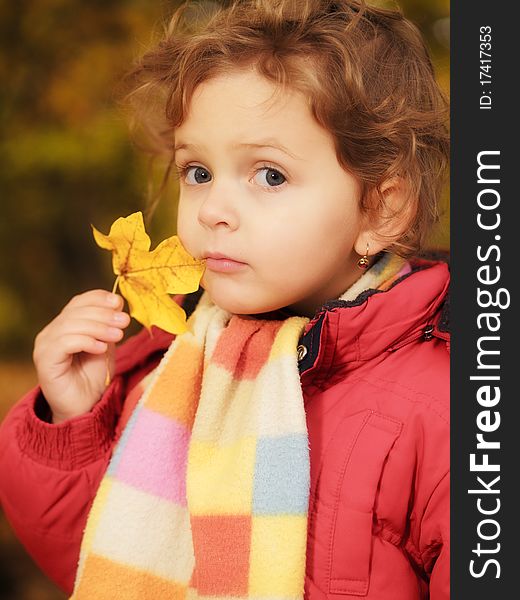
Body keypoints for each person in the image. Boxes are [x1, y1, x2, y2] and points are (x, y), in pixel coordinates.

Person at [0, 0, 450, 598]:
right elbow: (108, 562)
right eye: (198, 172)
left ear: (382, 209)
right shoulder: (178, 365)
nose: (213, 210)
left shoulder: (445, 407)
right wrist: (74, 423)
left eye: (269, 175)